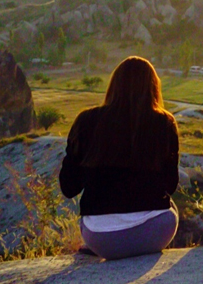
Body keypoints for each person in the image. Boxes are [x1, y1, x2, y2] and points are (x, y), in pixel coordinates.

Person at [58, 56, 181, 259]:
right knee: (170, 206)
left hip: (101, 239)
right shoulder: (164, 122)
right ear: (153, 88)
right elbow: (170, 186)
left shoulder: (87, 120)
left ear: (113, 86)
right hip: (154, 235)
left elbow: (69, 188)